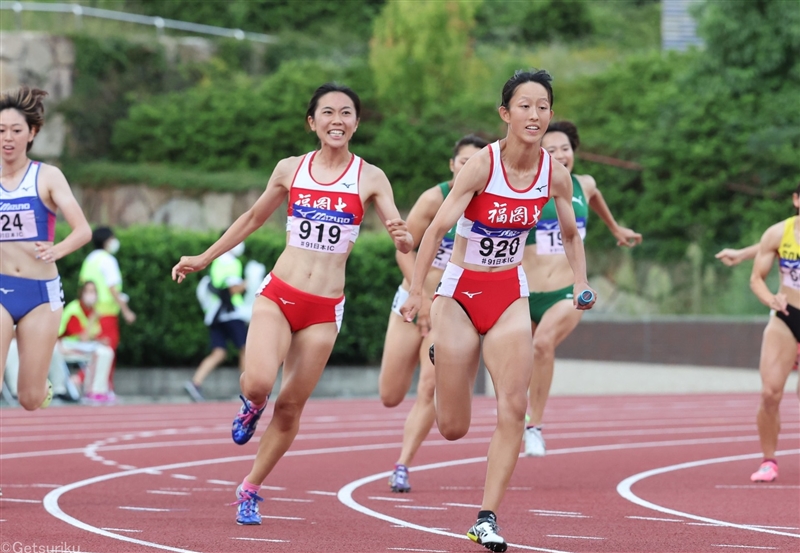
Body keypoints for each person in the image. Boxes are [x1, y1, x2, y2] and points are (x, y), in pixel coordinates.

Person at [171, 83, 413, 526]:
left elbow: (401, 235)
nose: (336, 120)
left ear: (356, 123)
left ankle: (250, 487)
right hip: (279, 294)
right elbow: (252, 218)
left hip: (324, 309)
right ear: (312, 122)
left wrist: (407, 245)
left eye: (346, 113)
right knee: (261, 382)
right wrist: (204, 258)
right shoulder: (290, 169)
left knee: (290, 407)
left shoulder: (371, 177)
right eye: (327, 112)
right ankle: (250, 403)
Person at [401, 70, 596, 553]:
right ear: (505, 114)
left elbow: (571, 233)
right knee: (453, 428)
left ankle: (485, 518)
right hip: (460, 293)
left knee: (513, 406)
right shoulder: (482, 166)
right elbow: (436, 231)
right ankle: (443, 357)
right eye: (525, 106)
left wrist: (582, 280)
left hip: (510, 291)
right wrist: (416, 292)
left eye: (543, 106)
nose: (535, 115)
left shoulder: (555, 173)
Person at [522, 121, 642, 456]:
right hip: (523, 291)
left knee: (543, 344)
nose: (560, 155)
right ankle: (517, 413)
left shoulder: (583, 184)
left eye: (565, 148)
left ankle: (535, 427)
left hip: (566, 292)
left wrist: (616, 229)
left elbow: (597, 198)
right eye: (551, 149)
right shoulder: (523, 185)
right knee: (519, 358)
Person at [380, 134, 488, 492]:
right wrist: (421, 295)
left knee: (429, 387)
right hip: (412, 299)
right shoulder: (434, 198)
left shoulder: (491, 201)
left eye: (475, 162)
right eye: (462, 162)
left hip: (450, 308)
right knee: (390, 394)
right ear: (452, 164)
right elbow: (403, 250)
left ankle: (402, 464)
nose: (467, 168)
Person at [0, 86, 91, 411]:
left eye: (15, 130)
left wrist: (58, 249)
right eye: (0, 130)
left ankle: (42, 387)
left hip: (41, 295)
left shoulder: (47, 176)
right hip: (1, 287)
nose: (7, 138)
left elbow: (83, 230)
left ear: (32, 132)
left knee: (29, 398)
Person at [746, 186, 800, 483]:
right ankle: (769, 461)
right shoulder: (778, 233)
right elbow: (757, 279)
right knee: (770, 393)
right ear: (796, 199)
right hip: (787, 315)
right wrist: (770, 299)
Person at [184, 239, 249, 402]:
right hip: (230, 313)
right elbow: (233, 289)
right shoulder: (232, 262)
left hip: (215, 314)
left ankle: (195, 383)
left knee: (219, 352)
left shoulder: (217, 261)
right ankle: (248, 390)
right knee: (245, 348)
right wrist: (250, 282)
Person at [78, 226, 136, 396]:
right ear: (106, 240)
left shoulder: (89, 260)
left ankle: (90, 385)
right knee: (107, 352)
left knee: (93, 351)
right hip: (106, 313)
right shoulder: (108, 260)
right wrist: (126, 311)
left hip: (89, 312)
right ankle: (98, 385)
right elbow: (112, 288)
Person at [58, 280, 115, 404]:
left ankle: (100, 390)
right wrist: (93, 318)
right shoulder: (75, 309)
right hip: (64, 346)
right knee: (101, 353)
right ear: (81, 293)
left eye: (94, 291)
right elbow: (82, 337)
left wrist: (100, 340)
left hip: (82, 347)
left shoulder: (92, 310)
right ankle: (93, 390)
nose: (91, 294)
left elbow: (90, 337)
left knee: (106, 351)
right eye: (88, 291)